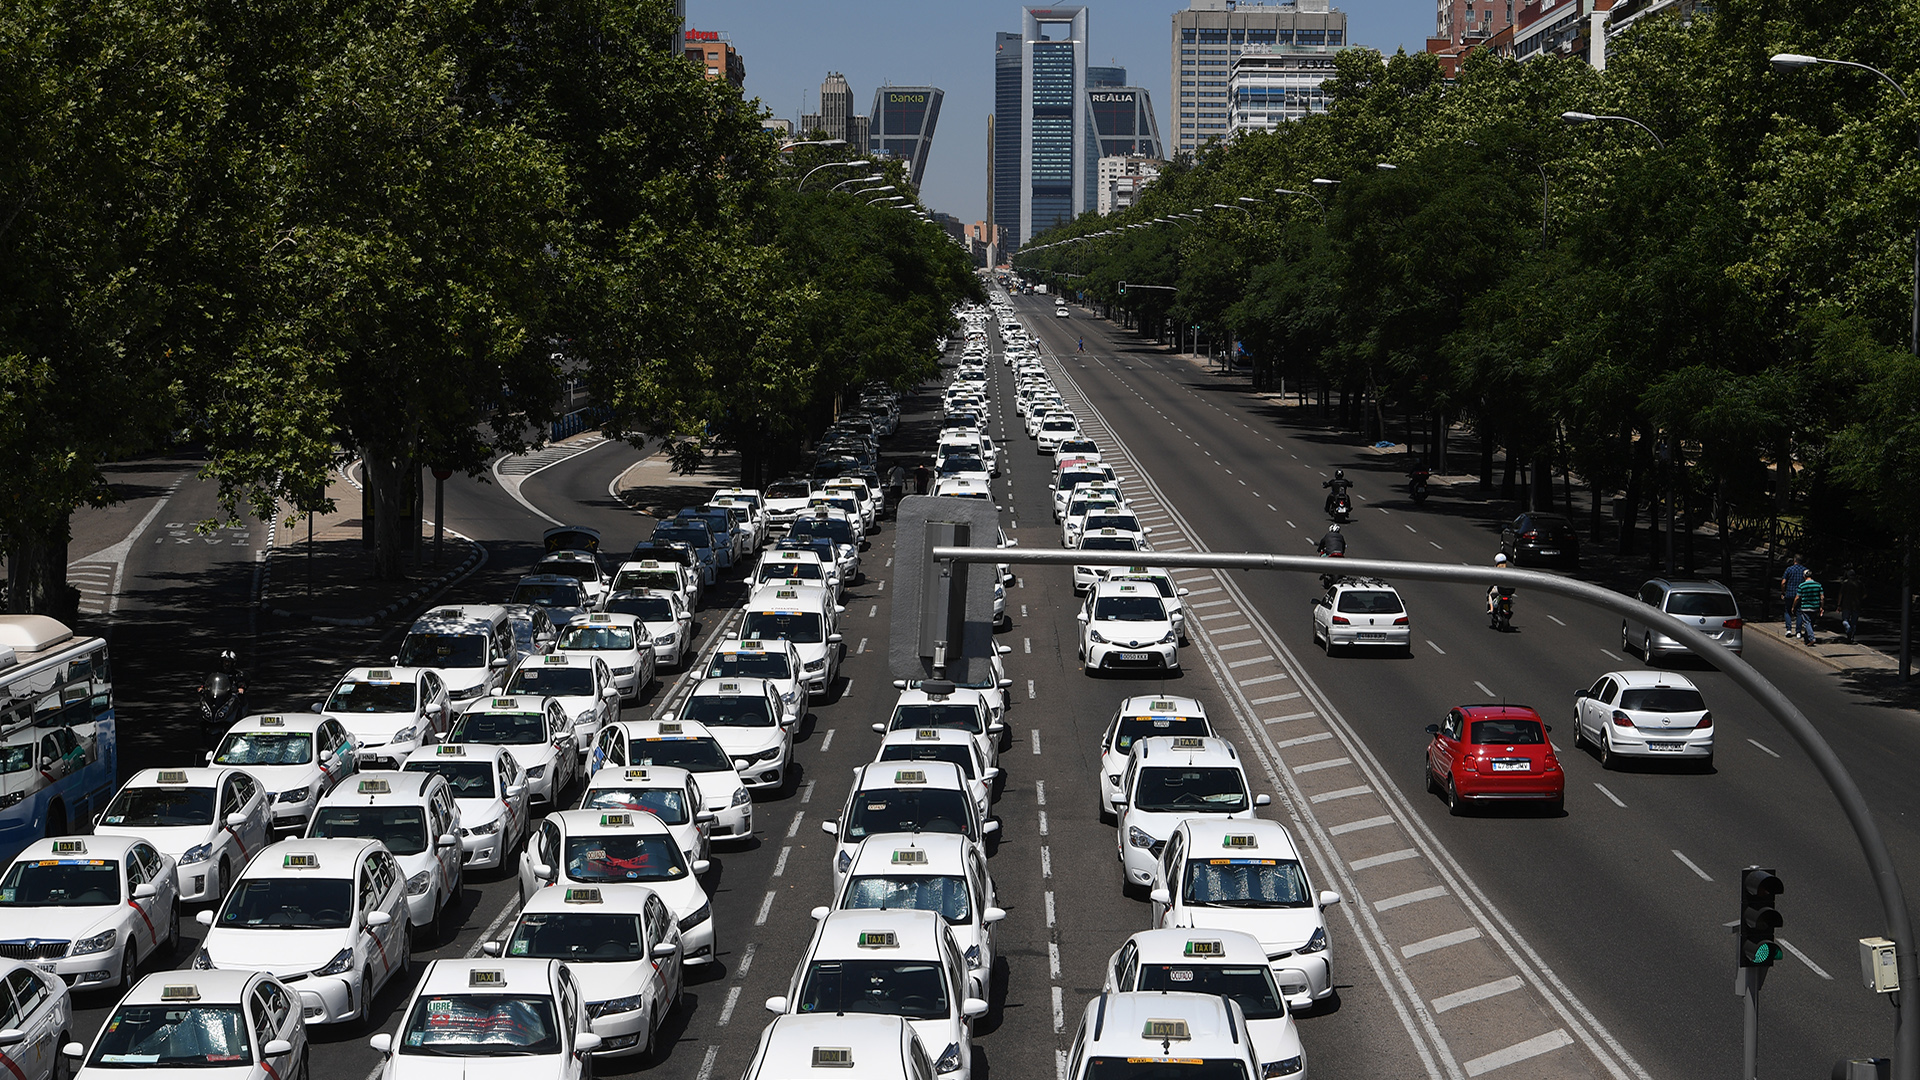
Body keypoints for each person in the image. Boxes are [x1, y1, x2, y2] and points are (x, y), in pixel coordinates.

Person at [1794, 569, 1825, 645]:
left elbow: (1797, 597)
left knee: (1807, 623)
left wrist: (1793, 606)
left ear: (1804, 576)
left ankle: (1811, 638)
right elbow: (1822, 597)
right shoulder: (1818, 585)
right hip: (1815, 607)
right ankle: (1806, 639)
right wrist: (1821, 607)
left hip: (1805, 607)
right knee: (1811, 623)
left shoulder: (1802, 585)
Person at [1780, 554, 1807, 635]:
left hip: (1789, 593)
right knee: (1799, 612)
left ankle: (1789, 629)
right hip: (1800, 594)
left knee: (1787, 611)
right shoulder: (1805, 570)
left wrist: (1783, 592)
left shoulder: (1789, 569)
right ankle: (1798, 631)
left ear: (1794, 560)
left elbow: (1783, 582)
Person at [1487, 553, 1514, 628]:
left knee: (1490, 594)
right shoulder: (1509, 570)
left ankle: (1491, 608)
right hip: (1508, 590)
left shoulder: (1495, 569)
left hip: (1499, 589)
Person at [1838, 564, 1862, 644]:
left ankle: (1848, 630)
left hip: (1846, 605)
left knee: (1845, 620)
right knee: (1854, 622)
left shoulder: (1845, 583)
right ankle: (1851, 637)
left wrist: (1839, 605)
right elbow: (1865, 594)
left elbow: (1841, 594)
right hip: (1856, 605)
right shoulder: (1859, 583)